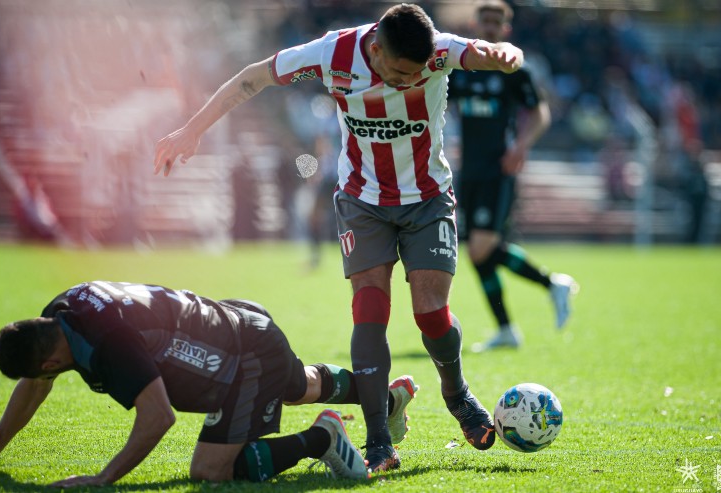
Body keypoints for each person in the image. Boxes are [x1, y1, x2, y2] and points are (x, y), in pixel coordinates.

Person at [154, 3, 523, 472]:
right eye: (399, 73)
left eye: (417, 76)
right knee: (369, 311)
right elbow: (254, 76)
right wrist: (192, 130)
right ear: (375, 49)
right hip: (362, 200)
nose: (409, 82)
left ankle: (457, 394)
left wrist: (504, 52)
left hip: (427, 199)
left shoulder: (436, 54)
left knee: (431, 314)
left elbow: (487, 52)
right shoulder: (333, 53)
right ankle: (377, 439)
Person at [0, 281, 420, 486]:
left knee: (209, 470)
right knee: (299, 386)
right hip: (237, 322)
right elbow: (34, 384)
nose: (40, 380)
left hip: (242, 355)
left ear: (49, 360)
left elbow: (157, 416)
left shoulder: (108, 343)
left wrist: (103, 479)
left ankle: (321, 439)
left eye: (41, 371)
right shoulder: (61, 310)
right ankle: (386, 401)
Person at [448, 0, 577, 350]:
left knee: (481, 248)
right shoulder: (461, 69)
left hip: (497, 170)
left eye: (496, 22)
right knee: (479, 252)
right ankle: (513, 323)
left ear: (505, 29)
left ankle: (551, 287)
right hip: (468, 170)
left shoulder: (515, 70)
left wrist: (521, 145)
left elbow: (539, 114)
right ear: (476, 24)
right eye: (485, 20)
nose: (490, 26)